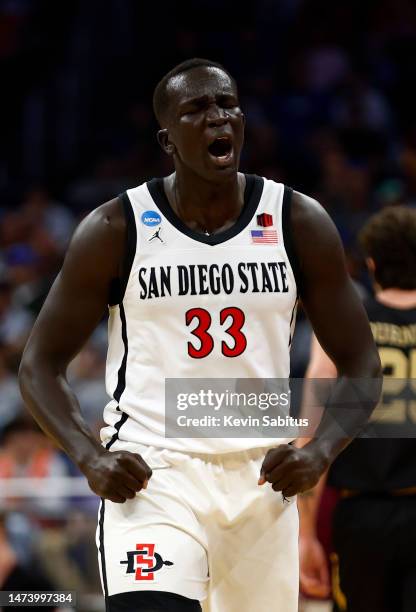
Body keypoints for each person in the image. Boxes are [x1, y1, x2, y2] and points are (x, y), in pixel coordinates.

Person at [19, 58, 381, 612]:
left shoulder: (296, 221)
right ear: (169, 138)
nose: (220, 118)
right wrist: (90, 458)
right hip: (154, 476)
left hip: (263, 480)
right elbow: (38, 366)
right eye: (198, 109)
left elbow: (362, 365)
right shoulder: (116, 228)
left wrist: (320, 453)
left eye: (228, 104)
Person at [298, 206, 416, 612]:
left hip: (360, 515)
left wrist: (303, 532)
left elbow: (311, 426)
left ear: (371, 264)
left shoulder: (345, 323)